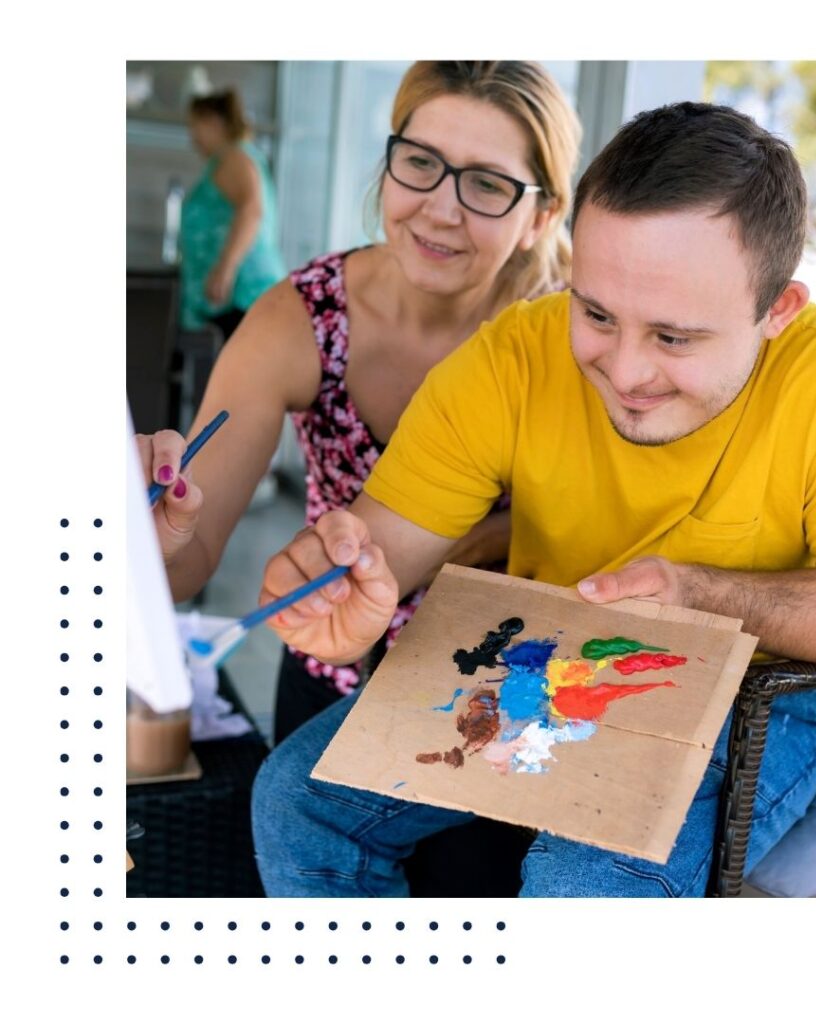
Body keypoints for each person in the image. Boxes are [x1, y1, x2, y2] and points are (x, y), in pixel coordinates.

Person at [248, 101, 816, 898]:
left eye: (674, 337)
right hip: (545, 659)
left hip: (757, 692)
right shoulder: (515, 356)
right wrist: (343, 585)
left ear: (777, 311)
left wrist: (697, 593)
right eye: (596, 314)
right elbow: (381, 548)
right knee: (294, 800)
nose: (625, 370)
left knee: (580, 881)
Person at [137, 62, 581, 743]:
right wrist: (150, 536)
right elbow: (190, 558)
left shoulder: (582, 337)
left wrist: (478, 539)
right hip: (333, 682)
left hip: (515, 700)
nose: (441, 208)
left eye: (487, 184)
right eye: (420, 162)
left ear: (540, 217)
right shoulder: (303, 318)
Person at [179, 88, 287, 340]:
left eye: (195, 126)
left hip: (243, 293)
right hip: (237, 297)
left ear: (214, 122)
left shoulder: (235, 157)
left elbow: (252, 211)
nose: (192, 136)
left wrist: (225, 269)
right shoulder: (234, 157)